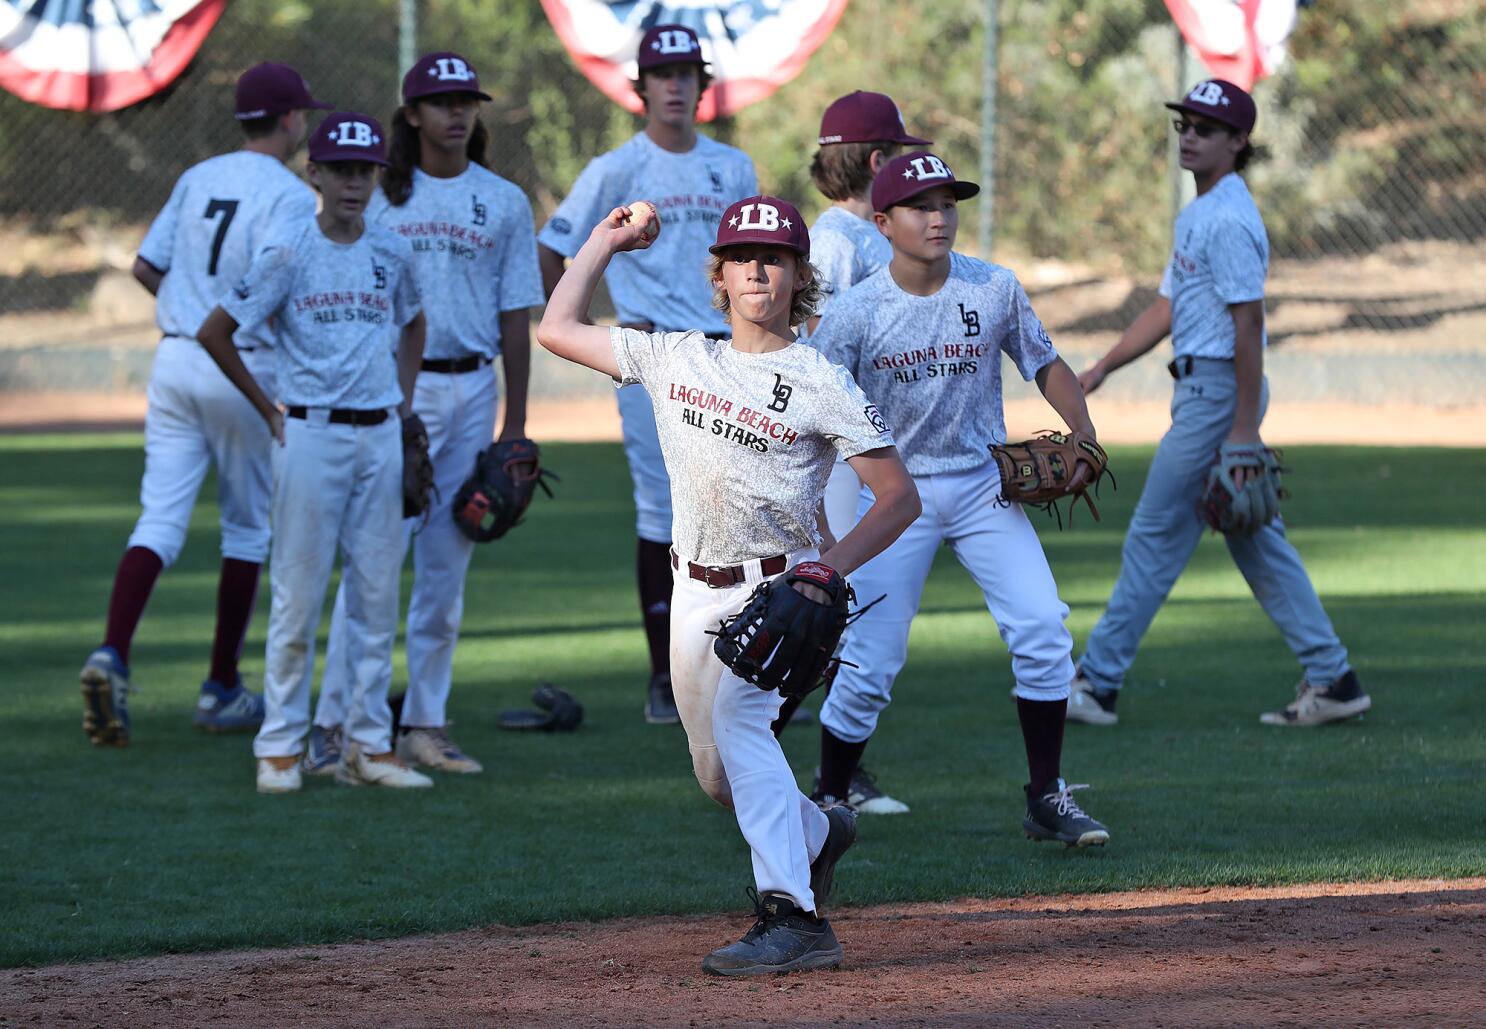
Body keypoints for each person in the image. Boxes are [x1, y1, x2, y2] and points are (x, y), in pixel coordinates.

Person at [536, 194, 920, 974]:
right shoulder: (677, 356)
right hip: (694, 593)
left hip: (782, 596)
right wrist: (605, 241)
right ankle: (819, 833)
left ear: (798, 277)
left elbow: (898, 496)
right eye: (742, 255)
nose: (757, 267)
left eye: (774, 257)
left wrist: (827, 569)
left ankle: (795, 919)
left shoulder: (817, 378)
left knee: (744, 732)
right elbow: (556, 328)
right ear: (718, 275)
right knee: (719, 778)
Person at [810, 151, 1112, 848]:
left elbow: (1044, 361)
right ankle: (827, 797)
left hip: (982, 485)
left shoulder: (993, 287)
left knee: (1042, 629)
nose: (939, 217)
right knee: (868, 664)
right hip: (891, 494)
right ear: (882, 222)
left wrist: (1084, 431)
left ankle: (1046, 796)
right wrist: (825, 521)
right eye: (921, 206)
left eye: (948, 203)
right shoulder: (855, 313)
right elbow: (819, 418)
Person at [1071, 79, 1369, 728]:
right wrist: (1102, 367)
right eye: (1184, 124)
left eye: (1205, 129)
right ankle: (1333, 677)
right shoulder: (1199, 212)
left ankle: (1096, 682)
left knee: (1154, 535)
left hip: (1218, 393)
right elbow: (1167, 307)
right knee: (1257, 539)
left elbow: (1249, 324)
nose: (1188, 136)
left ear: (1238, 142)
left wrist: (1240, 430)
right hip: (1208, 389)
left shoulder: (1230, 218)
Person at [305, 52, 545, 777]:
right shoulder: (378, 195)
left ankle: (425, 722)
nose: (457, 111)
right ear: (410, 114)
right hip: (389, 394)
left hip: (471, 390)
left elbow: (515, 316)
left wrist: (515, 423)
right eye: (440, 101)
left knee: (447, 566)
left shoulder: (500, 200)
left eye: (466, 99)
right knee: (373, 558)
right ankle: (334, 722)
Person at [78, 63, 330, 748]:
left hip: (174, 360)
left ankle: (113, 652)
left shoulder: (198, 177)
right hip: (241, 363)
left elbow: (143, 265)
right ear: (286, 121)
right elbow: (278, 280)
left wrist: (188, 294)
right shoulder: (286, 192)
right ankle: (221, 685)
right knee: (247, 531)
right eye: (300, 114)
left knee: (159, 517)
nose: (302, 123)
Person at [195, 112, 431, 793]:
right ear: (315, 174)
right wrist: (269, 407)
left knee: (375, 594)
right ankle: (278, 747)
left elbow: (414, 322)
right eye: (343, 170)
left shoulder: (391, 250)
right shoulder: (288, 248)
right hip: (310, 432)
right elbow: (217, 330)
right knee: (298, 595)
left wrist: (404, 402)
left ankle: (365, 744)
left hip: (379, 432)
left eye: (367, 171)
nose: (356, 183)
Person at [536, 23, 757, 725]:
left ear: (702, 85)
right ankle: (666, 677)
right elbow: (554, 249)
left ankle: (746, 670)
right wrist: (592, 326)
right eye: (661, 73)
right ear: (639, 88)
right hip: (651, 354)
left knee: (746, 508)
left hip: (728, 350)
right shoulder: (616, 168)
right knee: (661, 513)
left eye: (686, 72)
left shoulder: (734, 167)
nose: (674, 84)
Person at [781, 90, 932, 813]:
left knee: (855, 611)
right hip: (845, 448)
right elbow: (815, 349)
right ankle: (826, 773)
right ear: (876, 161)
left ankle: (831, 766)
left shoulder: (852, 237)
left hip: (868, 443)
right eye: (899, 153)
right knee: (843, 605)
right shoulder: (842, 242)